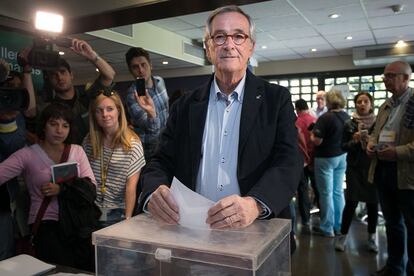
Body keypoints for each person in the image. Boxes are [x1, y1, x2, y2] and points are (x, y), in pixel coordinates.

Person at [138, 5, 302, 233]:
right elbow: (160, 160)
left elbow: (289, 161)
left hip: (256, 231)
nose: (229, 44)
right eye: (219, 37)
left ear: (251, 47)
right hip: (194, 232)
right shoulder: (185, 106)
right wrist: (154, 191)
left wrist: (255, 204)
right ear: (208, 48)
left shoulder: (276, 99)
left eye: (238, 36)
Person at [0, 103, 96, 268]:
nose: (59, 130)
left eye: (65, 125)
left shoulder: (77, 151)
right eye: (53, 124)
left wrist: (62, 189)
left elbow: (90, 189)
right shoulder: (28, 154)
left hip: (78, 226)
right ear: (43, 126)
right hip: (46, 226)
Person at [367, 61, 414, 276]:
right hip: (383, 170)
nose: (385, 80)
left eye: (391, 76)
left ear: (406, 78)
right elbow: (377, 131)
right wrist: (371, 143)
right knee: (393, 223)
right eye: (384, 76)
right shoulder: (385, 104)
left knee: (412, 227)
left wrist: (397, 152)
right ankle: (395, 268)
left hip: (407, 175)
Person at [33, 38, 115, 144]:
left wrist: (92, 55)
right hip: (63, 157)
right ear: (49, 79)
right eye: (54, 75)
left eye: (63, 72)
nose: (59, 77)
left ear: (71, 74)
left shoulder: (87, 97)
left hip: (91, 155)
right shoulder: (48, 108)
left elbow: (109, 75)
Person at [83, 91, 145, 227]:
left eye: (109, 109)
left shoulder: (132, 143)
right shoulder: (89, 141)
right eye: (99, 111)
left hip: (118, 214)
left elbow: (131, 187)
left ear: (118, 111)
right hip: (91, 212)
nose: (105, 115)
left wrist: (127, 222)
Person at [335, 92, 378, 253]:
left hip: (372, 167)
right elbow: (343, 146)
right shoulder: (349, 124)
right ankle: (342, 236)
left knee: (373, 203)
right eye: (359, 101)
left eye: (366, 101)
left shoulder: (378, 123)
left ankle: (372, 238)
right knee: (351, 201)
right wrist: (355, 140)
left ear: (371, 104)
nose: (362, 104)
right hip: (354, 167)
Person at [310, 90, 349, 237]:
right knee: (338, 192)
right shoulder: (346, 116)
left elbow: (317, 140)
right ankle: (340, 226)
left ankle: (327, 228)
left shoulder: (326, 118)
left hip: (325, 158)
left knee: (326, 193)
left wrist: (312, 135)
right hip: (342, 156)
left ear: (329, 101)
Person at [125, 47, 169, 160]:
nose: (140, 70)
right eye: (135, 67)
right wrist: (151, 113)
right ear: (130, 71)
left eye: (143, 64)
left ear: (150, 65)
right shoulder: (132, 96)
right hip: (149, 152)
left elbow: (167, 113)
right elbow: (151, 129)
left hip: (167, 145)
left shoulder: (160, 81)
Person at [294, 99, 317, 233]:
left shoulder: (296, 122)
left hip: (301, 161)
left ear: (297, 109)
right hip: (314, 159)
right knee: (317, 189)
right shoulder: (314, 120)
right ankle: (323, 216)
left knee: (302, 190)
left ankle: (305, 218)